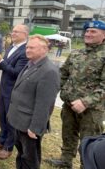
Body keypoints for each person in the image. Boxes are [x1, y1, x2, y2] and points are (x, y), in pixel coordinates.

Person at [46, 20, 105, 169]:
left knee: (89, 142)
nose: (88, 34)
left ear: (103, 35)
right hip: (69, 105)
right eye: (87, 31)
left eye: (93, 32)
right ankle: (65, 161)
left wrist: (85, 102)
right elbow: (63, 74)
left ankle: (87, 166)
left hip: (92, 110)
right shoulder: (76, 53)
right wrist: (53, 92)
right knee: (68, 134)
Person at [7, 35, 60, 169]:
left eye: (32, 47)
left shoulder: (49, 71)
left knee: (30, 160)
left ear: (44, 49)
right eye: (27, 47)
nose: (27, 50)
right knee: (21, 154)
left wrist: (35, 128)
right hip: (19, 120)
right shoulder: (31, 63)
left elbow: (45, 104)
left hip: (29, 126)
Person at [0, 24, 29, 159]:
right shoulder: (11, 47)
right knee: (2, 116)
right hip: (4, 88)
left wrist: (1, 61)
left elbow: (17, 73)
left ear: (25, 34)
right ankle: (1, 140)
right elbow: (5, 65)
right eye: (13, 31)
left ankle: (8, 147)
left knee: (10, 119)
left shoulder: (25, 51)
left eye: (17, 32)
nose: (13, 33)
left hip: (13, 91)